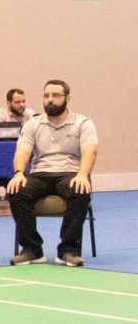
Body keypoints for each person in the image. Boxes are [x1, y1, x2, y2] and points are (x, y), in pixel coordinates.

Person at [8, 80, 97, 267]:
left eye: (56, 95)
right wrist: (18, 173)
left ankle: (68, 250)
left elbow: (90, 151)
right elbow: (22, 150)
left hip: (70, 173)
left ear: (67, 99)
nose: (50, 99)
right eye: (46, 95)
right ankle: (32, 249)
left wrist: (82, 175)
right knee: (17, 190)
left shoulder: (83, 123)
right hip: (40, 173)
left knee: (80, 191)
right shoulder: (33, 123)